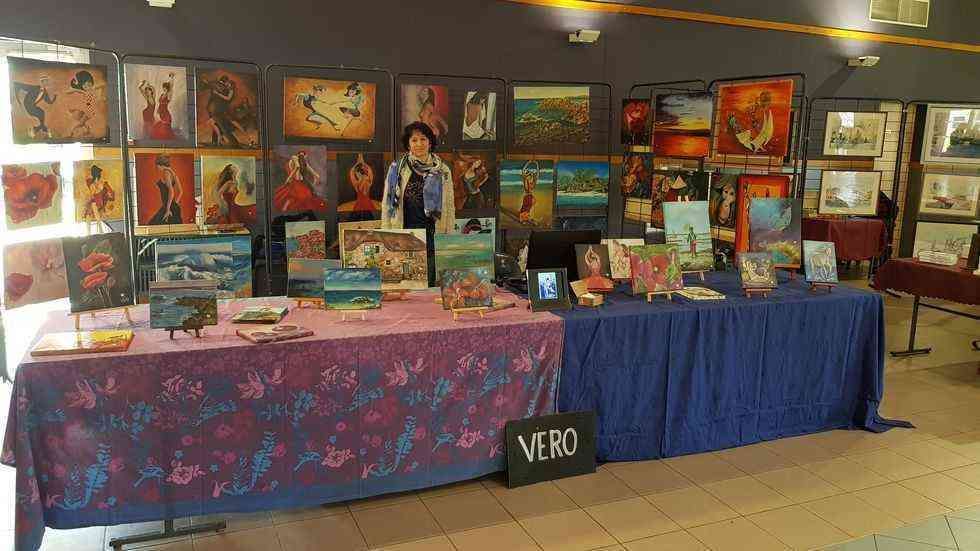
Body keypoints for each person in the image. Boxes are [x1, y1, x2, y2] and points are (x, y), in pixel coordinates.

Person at [383, 121, 455, 285]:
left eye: (423, 139)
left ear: (430, 142)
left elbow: (450, 206)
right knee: (406, 283)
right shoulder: (397, 168)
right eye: (414, 140)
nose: (419, 144)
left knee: (430, 282)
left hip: (432, 235)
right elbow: (387, 206)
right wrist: (386, 234)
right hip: (404, 233)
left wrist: (449, 237)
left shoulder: (443, 170)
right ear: (408, 144)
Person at [13, 75, 56, 139]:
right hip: (28, 105)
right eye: (45, 81)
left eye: (47, 81)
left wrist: (55, 97)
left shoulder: (44, 92)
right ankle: (40, 128)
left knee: (42, 112)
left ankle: (37, 128)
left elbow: (49, 102)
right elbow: (24, 86)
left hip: (33, 106)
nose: (47, 83)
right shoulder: (35, 88)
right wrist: (16, 84)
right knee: (40, 114)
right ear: (42, 82)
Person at [148, 155, 184, 225]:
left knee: (153, 225)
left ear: (161, 165)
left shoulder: (166, 173)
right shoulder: (173, 174)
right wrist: (175, 204)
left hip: (168, 208)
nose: (157, 168)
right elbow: (181, 192)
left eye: (157, 166)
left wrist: (168, 209)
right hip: (172, 207)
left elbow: (171, 191)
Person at [519, 160, 538, 224]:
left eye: (530, 175)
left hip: (530, 197)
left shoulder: (532, 182)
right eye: (529, 175)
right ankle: (525, 219)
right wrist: (528, 163)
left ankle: (527, 219)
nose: (530, 176)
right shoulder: (526, 180)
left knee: (527, 209)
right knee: (525, 209)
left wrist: (537, 164)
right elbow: (523, 171)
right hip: (528, 197)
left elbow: (537, 174)